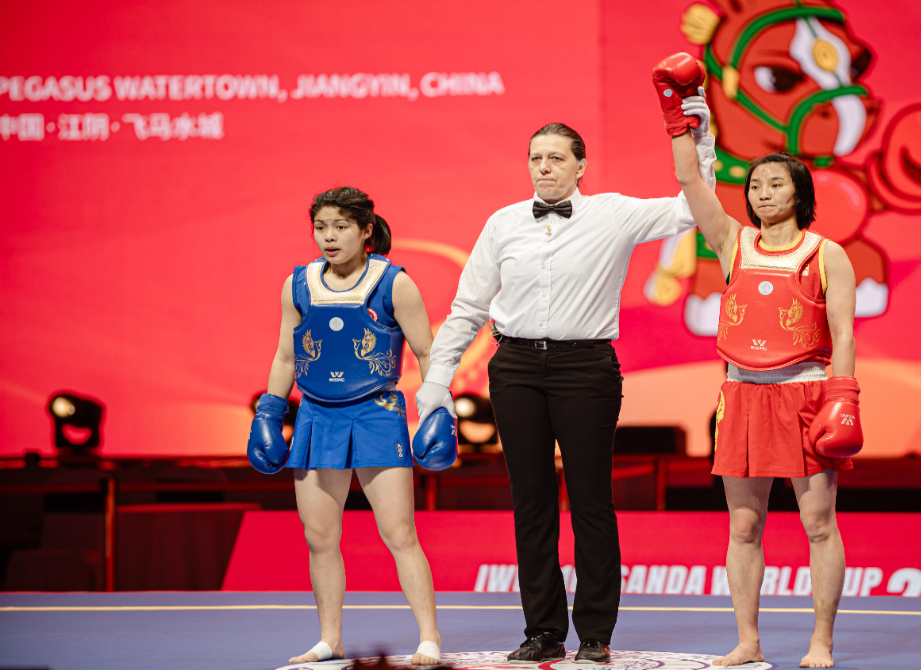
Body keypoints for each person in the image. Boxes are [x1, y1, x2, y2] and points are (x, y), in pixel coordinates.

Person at [414, 120, 710, 665]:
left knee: (591, 500)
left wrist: (701, 142)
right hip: (515, 368)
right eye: (536, 158)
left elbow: (691, 209)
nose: (544, 167)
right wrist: (437, 378)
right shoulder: (502, 223)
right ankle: (543, 631)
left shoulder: (614, 213)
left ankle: (595, 634)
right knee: (531, 503)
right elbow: (469, 307)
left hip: (586, 368)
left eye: (555, 158)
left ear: (581, 166)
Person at [654, 54, 863, 669]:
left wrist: (842, 397)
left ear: (800, 193)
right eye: (754, 186)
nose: (762, 193)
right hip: (742, 394)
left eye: (775, 184)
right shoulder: (731, 243)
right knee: (743, 527)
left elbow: (844, 334)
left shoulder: (827, 253)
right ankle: (747, 641)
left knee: (818, 525)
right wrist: (677, 120)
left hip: (807, 394)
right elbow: (691, 183)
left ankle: (821, 641)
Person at [247, 187, 444, 665]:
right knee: (319, 537)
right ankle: (329, 640)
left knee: (399, 532)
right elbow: (286, 356)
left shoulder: (394, 283)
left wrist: (439, 409)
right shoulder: (297, 284)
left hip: (377, 414)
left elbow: (427, 351)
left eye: (340, 227)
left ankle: (429, 638)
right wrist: (270, 411)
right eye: (320, 228)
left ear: (366, 230)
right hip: (316, 415)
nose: (329, 237)